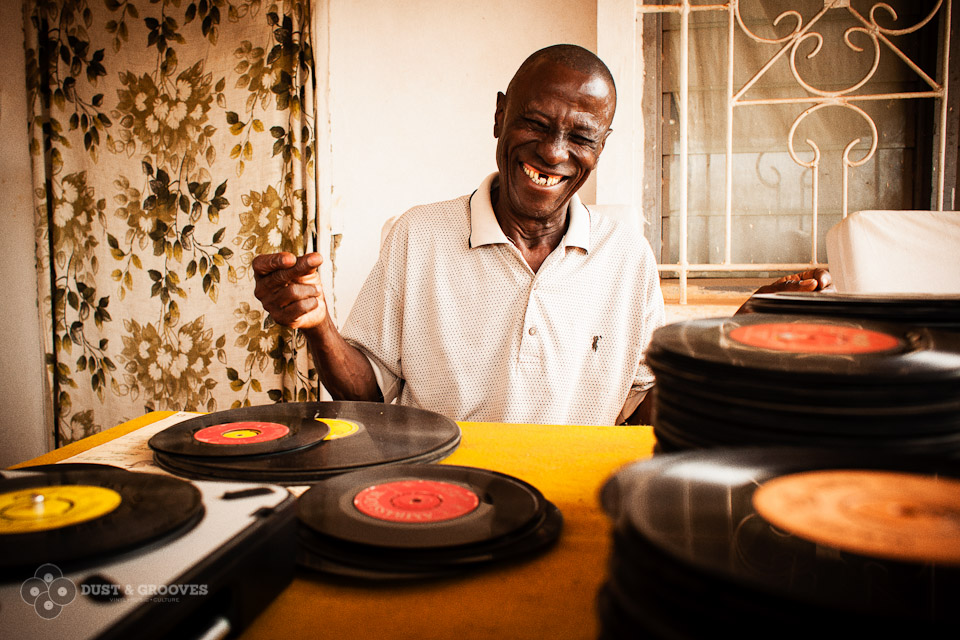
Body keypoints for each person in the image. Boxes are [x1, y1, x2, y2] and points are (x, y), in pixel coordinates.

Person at [253, 44, 831, 426]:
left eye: (581, 137)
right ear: (501, 116)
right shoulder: (417, 236)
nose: (554, 153)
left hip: (572, 496)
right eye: (535, 123)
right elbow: (366, 397)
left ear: (601, 147)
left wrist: (735, 335)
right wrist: (319, 324)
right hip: (440, 489)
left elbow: (640, 416)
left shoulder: (625, 256)